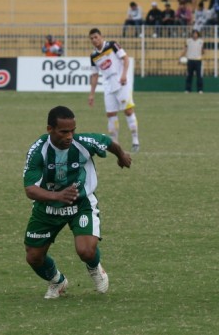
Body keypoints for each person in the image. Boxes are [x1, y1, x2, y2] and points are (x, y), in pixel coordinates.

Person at [23, 105, 132, 299]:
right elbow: (30, 189)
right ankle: (57, 281)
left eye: (72, 130)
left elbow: (107, 142)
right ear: (50, 129)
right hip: (47, 207)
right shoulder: (38, 150)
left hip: (81, 203)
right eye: (64, 131)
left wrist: (121, 155)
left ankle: (95, 268)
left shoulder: (82, 143)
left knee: (86, 251)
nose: (69, 136)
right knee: (33, 257)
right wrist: (57, 196)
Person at [88, 28, 140, 153]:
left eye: (96, 37)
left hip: (121, 83)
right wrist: (92, 94)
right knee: (111, 114)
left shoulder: (112, 45)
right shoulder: (93, 56)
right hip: (108, 87)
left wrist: (124, 75)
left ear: (101, 36)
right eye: (91, 39)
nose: (94, 40)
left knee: (128, 111)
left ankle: (135, 141)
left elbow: (126, 58)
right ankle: (115, 145)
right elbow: (95, 75)